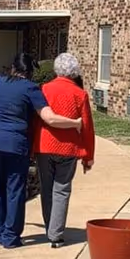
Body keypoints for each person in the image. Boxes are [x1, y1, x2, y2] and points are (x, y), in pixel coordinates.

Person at [0, 53, 83, 249]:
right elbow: (50, 118)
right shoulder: (31, 88)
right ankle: (11, 237)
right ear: (29, 71)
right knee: (14, 189)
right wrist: (75, 123)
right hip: (15, 145)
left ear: (13, 68)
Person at [32, 53, 95, 248]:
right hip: (68, 149)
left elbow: (36, 120)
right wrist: (88, 156)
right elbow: (87, 126)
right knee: (62, 190)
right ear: (75, 71)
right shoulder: (80, 94)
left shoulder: (45, 89)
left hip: (44, 146)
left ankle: (50, 227)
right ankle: (56, 234)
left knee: (47, 189)